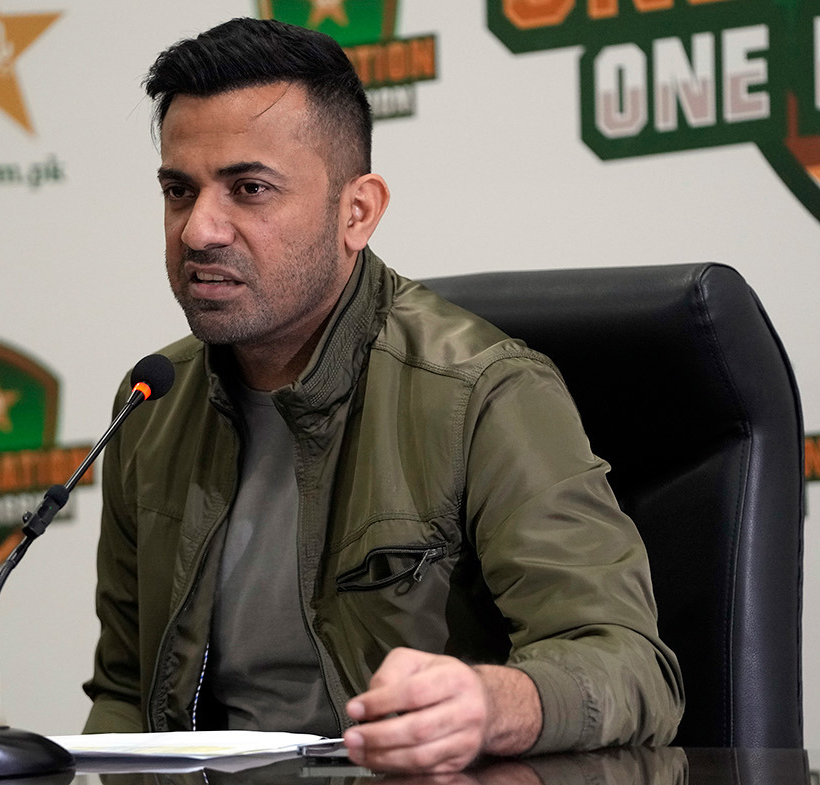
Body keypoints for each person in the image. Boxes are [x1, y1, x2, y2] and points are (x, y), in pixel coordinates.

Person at [82, 17, 684, 773]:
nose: (200, 229)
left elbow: (631, 664)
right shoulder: (151, 404)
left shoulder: (484, 393)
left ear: (357, 211)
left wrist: (491, 702)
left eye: (249, 189)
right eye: (180, 190)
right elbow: (126, 690)